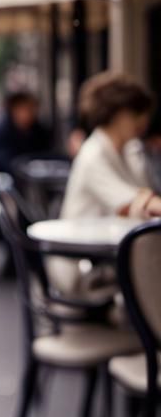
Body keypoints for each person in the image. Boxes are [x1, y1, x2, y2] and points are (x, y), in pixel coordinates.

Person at [50, 72, 160, 298]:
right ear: (118, 114)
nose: (143, 122)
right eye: (136, 114)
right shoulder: (94, 153)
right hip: (86, 265)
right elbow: (134, 203)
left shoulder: (129, 150)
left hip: (111, 255)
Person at [0, 90, 54, 175]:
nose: (29, 113)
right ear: (13, 110)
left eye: (32, 109)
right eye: (24, 109)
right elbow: (1, 163)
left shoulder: (40, 132)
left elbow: (48, 156)